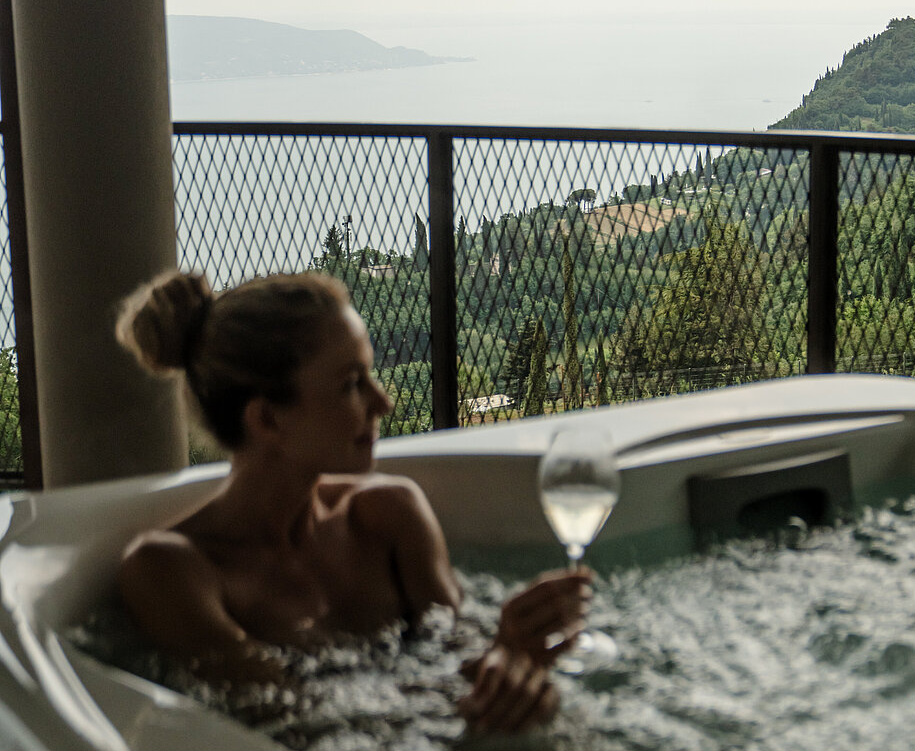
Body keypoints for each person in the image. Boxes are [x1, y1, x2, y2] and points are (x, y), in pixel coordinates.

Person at [114, 270, 592, 736]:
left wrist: (509, 668)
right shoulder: (170, 571)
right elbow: (302, 720)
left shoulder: (390, 515)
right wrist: (494, 661)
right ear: (267, 420)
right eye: (350, 384)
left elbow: (461, 654)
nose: (382, 403)